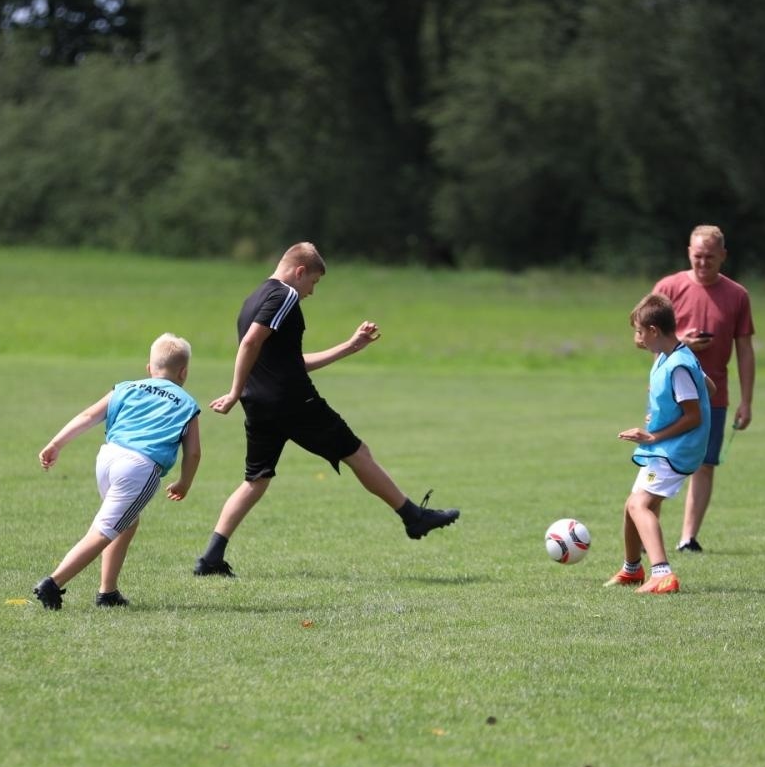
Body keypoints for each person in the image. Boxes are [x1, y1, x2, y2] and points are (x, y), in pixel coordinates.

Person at [192, 242, 459, 577]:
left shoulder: (253, 298)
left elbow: (288, 362)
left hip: (259, 403)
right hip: (291, 401)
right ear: (300, 272)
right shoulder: (285, 295)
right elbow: (251, 344)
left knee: (256, 480)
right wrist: (232, 392)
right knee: (358, 452)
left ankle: (211, 558)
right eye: (313, 283)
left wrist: (349, 347)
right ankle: (413, 517)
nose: (311, 292)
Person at [32, 333, 202, 610]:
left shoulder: (126, 387)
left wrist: (56, 443)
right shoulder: (186, 403)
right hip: (140, 467)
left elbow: (88, 416)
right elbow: (193, 452)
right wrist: (184, 481)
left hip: (108, 457)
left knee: (127, 521)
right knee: (104, 530)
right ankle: (53, 583)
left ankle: (107, 592)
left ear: (149, 369)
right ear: (184, 372)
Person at [652, 224, 755, 552]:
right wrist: (684, 343)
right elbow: (647, 337)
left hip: (714, 395)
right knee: (660, 460)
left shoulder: (737, 295)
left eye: (711, 256)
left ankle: (688, 538)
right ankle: (645, 528)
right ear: (688, 253)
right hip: (671, 396)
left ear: (723, 256)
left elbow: (745, 349)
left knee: (705, 464)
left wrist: (747, 401)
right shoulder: (668, 288)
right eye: (698, 256)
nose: (703, 262)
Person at [603, 293, 712, 595]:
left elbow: (693, 416)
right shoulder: (674, 355)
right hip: (668, 446)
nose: (637, 339)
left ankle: (662, 573)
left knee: (640, 505)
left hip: (675, 448)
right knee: (632, 506)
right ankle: (632, 569)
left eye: (640, 332)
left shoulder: (677, 365)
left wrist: (653, 435)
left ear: (654, 330)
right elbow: (709, 387)